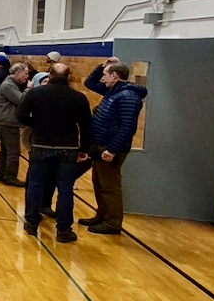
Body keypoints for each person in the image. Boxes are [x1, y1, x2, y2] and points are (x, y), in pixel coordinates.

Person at [16, 62, 93, 242]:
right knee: (65, 189)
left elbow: (20, 115)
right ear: (68, 77)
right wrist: (84, 150)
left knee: (36, 184)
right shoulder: (79, 97)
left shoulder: (35, 93)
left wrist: (37, 124)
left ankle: (32, 223)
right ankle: (64, 229)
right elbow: (87, 127)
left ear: (49, 75)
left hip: (41, 145)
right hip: (68, 148)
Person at [81, 58, 148, 235]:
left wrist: (112, 149)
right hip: (100, 144)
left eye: (105, 74)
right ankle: (101, 215)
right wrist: (102, 66)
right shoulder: (113, 91)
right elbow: (90, 82)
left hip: (110, 147)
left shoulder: (128, 97)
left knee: (110, 186)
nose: (102, 78)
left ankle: (112, 222)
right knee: (99, 183)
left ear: (115, 76)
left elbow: (128, 127)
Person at [0, 63, 29, 186]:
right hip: (8, 122)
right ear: (17, 73)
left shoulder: (10, 84)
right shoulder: (8, 85)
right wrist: (29, 88)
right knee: (13, 151)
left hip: (5, 120)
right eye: (25, 74)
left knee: (5, 150)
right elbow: (21, 101)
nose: (27, 77)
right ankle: (10, 176)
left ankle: (1, 173)